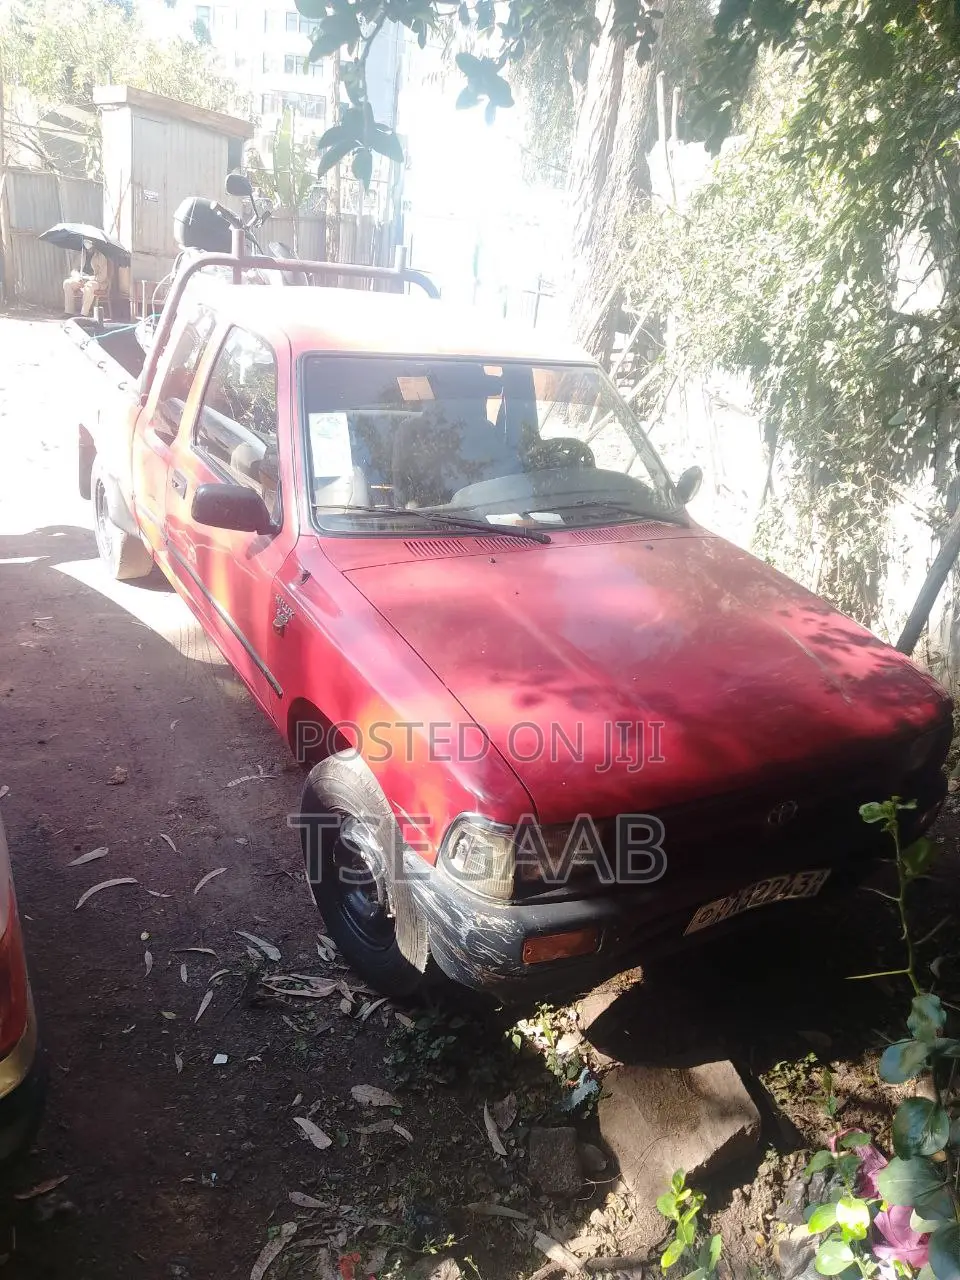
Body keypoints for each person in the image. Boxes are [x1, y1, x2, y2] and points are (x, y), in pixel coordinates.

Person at [63, 240, 111, 317]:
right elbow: (74, 269)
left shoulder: (101, 256)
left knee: (89, 286)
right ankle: (69, 312)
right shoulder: (82, 254)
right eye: (85, 242)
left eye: (89, 242)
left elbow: (102, 276)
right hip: (82, 279)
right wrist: (77, 276)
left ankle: (84, 314)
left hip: (97, 282)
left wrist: (89, 278)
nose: (87, 244)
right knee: (67, 283)